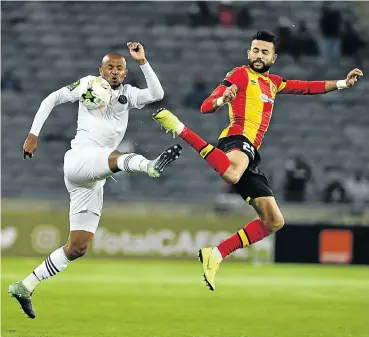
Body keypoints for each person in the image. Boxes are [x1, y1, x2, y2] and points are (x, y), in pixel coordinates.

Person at [152, 30, 363, 291]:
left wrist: (343, 83)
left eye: (265, 52)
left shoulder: (274, 82)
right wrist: (222, 98)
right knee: (231, 174)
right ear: (248, 53)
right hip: (236, 139)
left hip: (251, 153)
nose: (259, 55)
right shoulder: (239, 74)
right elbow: (206, 106)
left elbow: (307, 88)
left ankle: (216, 254)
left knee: (274, 220)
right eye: (255, 50)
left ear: (273, 57)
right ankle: (180, 129)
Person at [8, 42, 182, 318]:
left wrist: (143, 61)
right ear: (100, 70)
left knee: (77, 247)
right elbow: (51, 98)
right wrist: (33, 134)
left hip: (92, 180)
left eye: (119, 68)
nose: (114, 72)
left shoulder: (128, 95)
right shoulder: (88, 84)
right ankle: (150, 166)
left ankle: (25, 285)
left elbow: (157, 93)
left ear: (125, 74)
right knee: (116, 156)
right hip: (80, 160)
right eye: (109, 67)